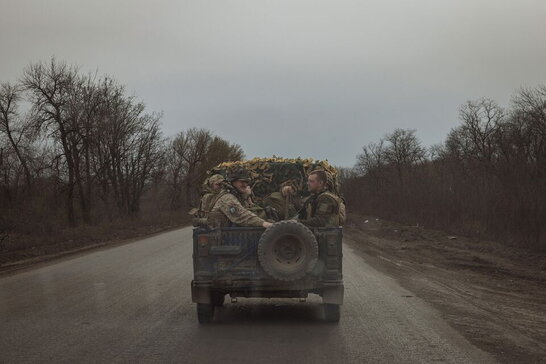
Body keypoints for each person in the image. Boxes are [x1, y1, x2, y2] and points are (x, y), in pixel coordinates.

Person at [207, 171, 273, 229]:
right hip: (223, 237)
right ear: (233, 182)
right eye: (242, 182)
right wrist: (263, 223)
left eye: (246, 182)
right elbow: (241, 215)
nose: (245, 184)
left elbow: (252, 209)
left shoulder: (238, 195)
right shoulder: (227, 198)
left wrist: (247, 197)